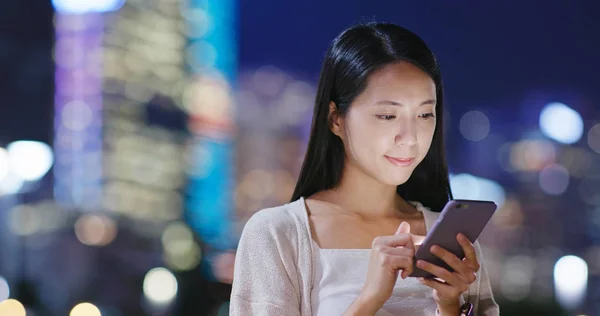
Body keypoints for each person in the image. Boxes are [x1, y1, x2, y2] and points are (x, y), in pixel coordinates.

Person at [230, 22, 499, 316]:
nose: (410, 137)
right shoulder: (278, 235)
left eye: (424, 114)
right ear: (335, 119)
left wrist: (452, 307)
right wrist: (369, 299)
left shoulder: (453, 244)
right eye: (387, 115)